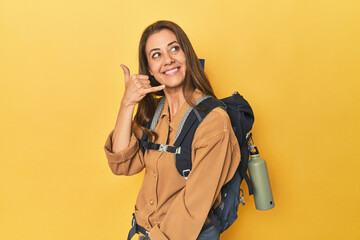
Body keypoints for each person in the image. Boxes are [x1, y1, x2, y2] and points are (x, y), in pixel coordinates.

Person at [104, 20, 240, 240]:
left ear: (187, 54)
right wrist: (127, 104)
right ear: (149, 69)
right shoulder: (154, 114)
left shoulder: (213, 121)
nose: (168, 60)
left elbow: (193, 206)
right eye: (156, 55)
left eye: (174, 48)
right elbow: (122, 164)